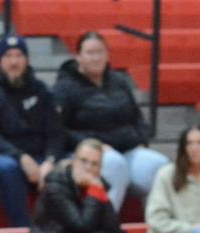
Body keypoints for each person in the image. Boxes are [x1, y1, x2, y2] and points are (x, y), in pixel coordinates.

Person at [52, 31, 169, 211]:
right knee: (114, 164)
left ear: (107, 55)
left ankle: (157, 229)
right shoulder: (65, 87)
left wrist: (140, 141)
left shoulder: (119, 82)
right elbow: (58, 129)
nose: (96, 58)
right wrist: (92, 145)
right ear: (78, 57)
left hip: (127, 148)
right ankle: (105, 227)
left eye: (100, 52)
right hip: (88, 155)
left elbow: (137, 118)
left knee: (160, 166)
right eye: (90, 53)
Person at [0, 34, 68, 228]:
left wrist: (50, 160)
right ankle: (22, 231)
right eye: (8, 56)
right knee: (8, 168)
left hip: (37, 158)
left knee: (67, 169)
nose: (14, 61)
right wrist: (20, 157)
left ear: (27, 60)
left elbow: (56, 132)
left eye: (19, 55)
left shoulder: (40, 90)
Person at [20, 139, 131, 233]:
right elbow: (81, 224)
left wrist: (100, 193)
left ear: (100, 168)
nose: (88, 168)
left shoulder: (96, 185)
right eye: (83, 161)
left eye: (94, 164)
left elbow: (113, 227)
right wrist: (95, 193)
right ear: (73, 161)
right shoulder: (57, 185)